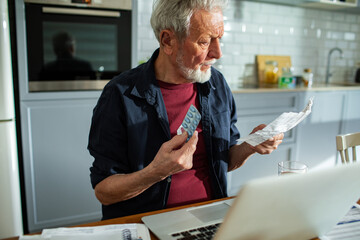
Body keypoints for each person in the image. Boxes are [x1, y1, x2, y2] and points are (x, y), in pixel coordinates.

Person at [88, 0, 284, 220]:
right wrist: (157, 172)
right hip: (148, 223)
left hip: (212, 218)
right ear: (168, 40)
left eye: (219, 39)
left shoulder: (217, 84)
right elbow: (104, 192)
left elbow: (222, 159)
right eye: (204, 41)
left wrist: (249, 145)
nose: (217, 53)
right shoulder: (120, 94)